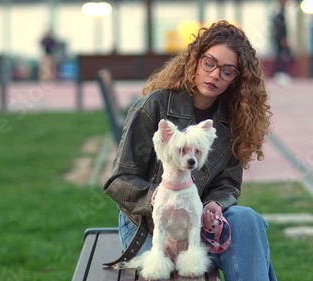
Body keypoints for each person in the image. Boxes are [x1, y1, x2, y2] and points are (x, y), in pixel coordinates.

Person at [103, 20, 277, 281]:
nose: (215, 75)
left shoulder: (233, 120)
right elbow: (118, 181)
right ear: (195, 60)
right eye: (210, 63)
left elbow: (228, 183)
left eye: (228, 71)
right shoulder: (154, 107)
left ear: (236, 79)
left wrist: (215, 204)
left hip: (198, 227)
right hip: (150, 226)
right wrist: (158, 196)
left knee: (248, 220)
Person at [272, 0, 293, 84]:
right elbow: (279, 29)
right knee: (283, 56)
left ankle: (280, 73)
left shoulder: (282, 13)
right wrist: (283, 39)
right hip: (280, 39)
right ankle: (280, 74)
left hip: (280, 39)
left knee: (282, 56)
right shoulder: (280, 14)